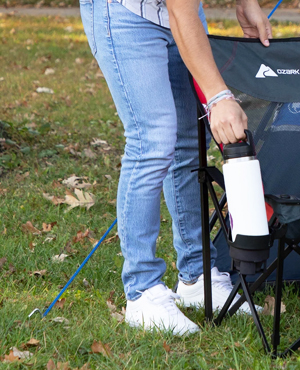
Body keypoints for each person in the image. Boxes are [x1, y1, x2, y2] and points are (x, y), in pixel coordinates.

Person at [80, 0, 271, 335]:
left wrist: (247, 3)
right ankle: (142, 292)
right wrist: (218, 97)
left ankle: (197, 277)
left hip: (179, 10)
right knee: (151, 142)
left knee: (188, 141)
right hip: (125, 12)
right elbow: (181, 10)